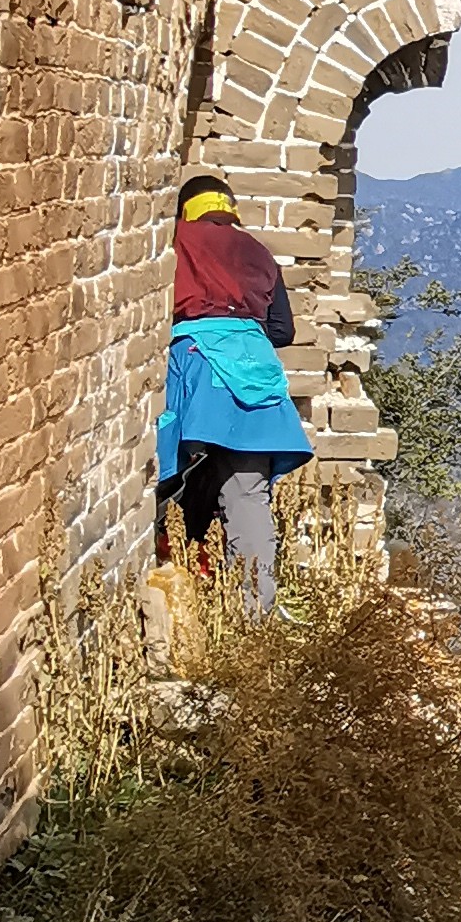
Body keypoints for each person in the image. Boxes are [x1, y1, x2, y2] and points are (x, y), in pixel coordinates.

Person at [155, 174, 310, 613]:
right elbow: (282, 330)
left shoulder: (177, 239)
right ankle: (251, 615)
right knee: (247, 496)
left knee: (167, 479)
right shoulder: (257, 251)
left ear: (186, 209)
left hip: (197, 366)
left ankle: (168, 585)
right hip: (257, 374)